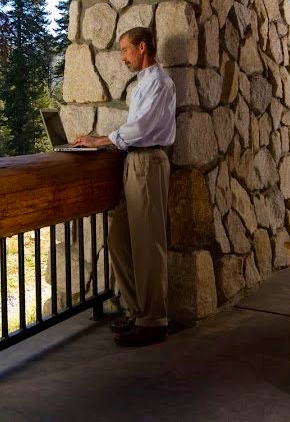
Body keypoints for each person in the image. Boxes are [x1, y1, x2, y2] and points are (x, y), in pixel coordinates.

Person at [74, 27, 176, 347]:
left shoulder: (159, 84)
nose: (122, 58)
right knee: (119, 240)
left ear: (142, 47)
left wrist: (99, 140)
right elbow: (135, 130)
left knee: (148, 245)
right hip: (135, 163)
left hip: (147, 163)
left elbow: (141, 129)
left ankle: (153, 321)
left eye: (125, 50)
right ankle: (137, 310)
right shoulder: (143, 85)